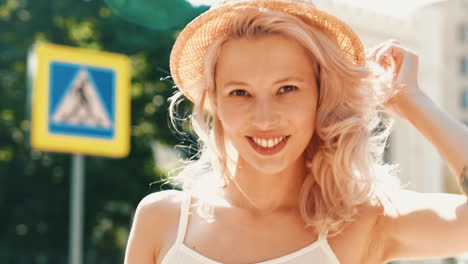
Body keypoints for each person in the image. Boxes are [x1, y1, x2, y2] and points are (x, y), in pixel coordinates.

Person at [124, 0, 468, 263]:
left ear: (320, 96)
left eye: (287, 89)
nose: (264, 117)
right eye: (240, 93)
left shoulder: (365, 222)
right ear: (213, 101)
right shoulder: (163, 220)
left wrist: (413, 102)